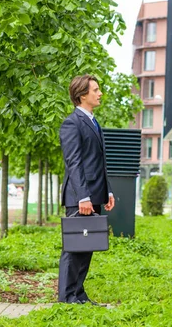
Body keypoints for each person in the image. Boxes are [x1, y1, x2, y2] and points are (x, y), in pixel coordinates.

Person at [58, 74, 115, 305]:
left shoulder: (93, 121)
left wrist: (107, 191)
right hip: (80, 197)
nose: (100, 93)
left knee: (87, 246)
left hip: (93, 196)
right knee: (73, 249)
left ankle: (78, 295)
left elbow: (98, 160)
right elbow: (74, 163)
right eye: (96, 90)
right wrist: (83, 196)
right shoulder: (72, 123)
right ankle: (66, 298)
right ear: (82, 95)